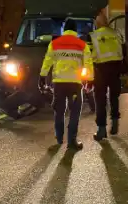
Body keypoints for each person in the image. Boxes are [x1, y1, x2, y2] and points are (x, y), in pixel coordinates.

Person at [38, 19, 94, 150]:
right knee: (74, 112)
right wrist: (90, 80)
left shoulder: (54, 43)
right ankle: (71, 141)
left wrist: (42, 76)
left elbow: (47, 61)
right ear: (75, 30)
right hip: (75, 83)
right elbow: (88, 64)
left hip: (59, 83)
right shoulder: (82, 44)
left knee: (59, 111)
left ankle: (59, 137)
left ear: (64, 29)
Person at [90, 10, 128, 141]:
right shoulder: (116, 33)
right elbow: (123, 51)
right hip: (116, 68)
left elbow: (91, 56)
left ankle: (101, 130)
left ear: (98, 22)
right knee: (114, 97)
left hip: (100, 69)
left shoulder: (94, 36)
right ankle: (115, 123)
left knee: (100, 100)